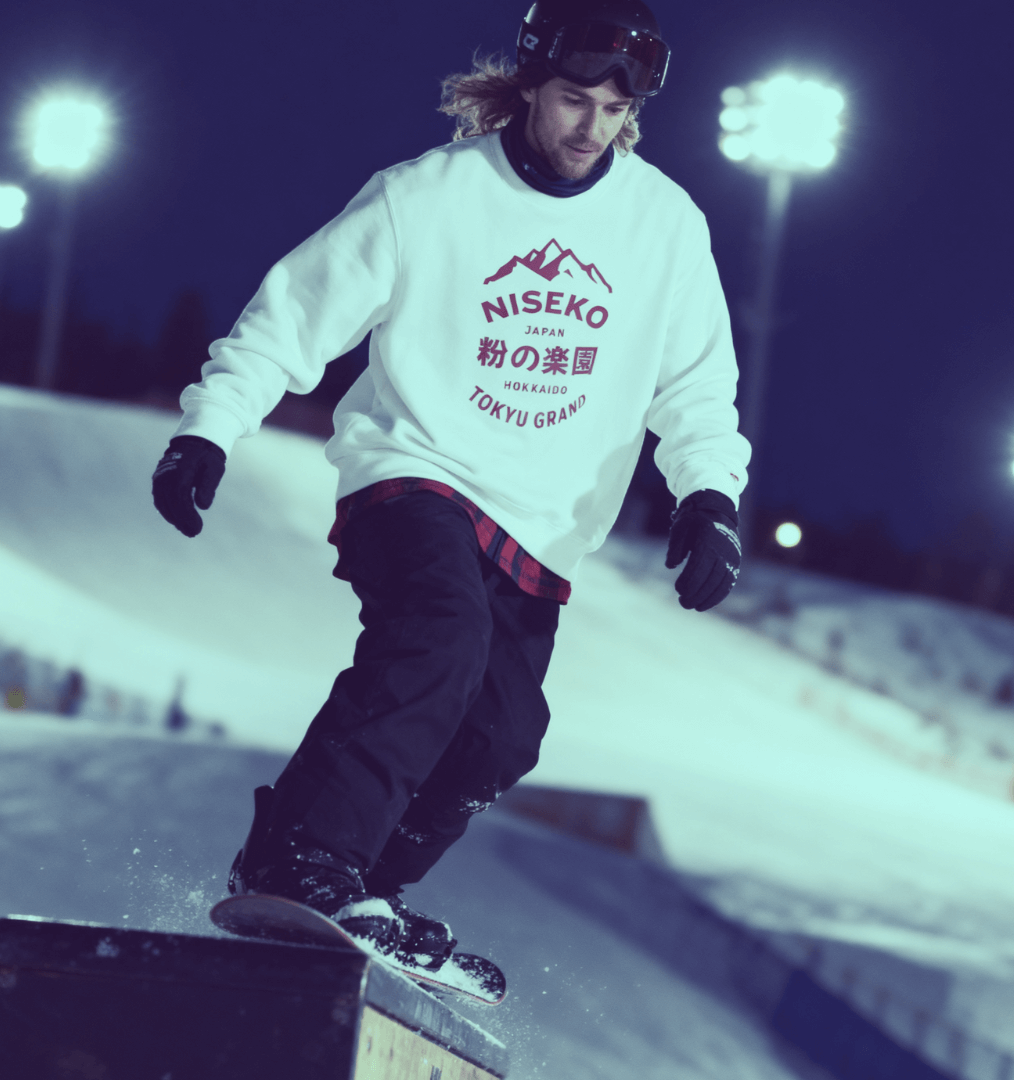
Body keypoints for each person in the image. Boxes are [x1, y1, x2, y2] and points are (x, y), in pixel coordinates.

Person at [152, 0, 749, 974]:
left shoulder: (665, 228)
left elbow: (696, 386)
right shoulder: (426, 196)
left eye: (611, 109)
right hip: (412, 472)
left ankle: (370, 888)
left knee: (503, 735)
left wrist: (708, 497)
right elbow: (293, 316)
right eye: (570, 99)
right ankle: (302, 859)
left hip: (543, 522)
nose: (589, 127)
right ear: (528, 86)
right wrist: (209, 430)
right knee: (438, 637)